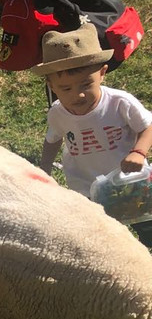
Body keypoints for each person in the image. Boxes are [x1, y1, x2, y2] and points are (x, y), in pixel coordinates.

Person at [35, 24, 152, 198]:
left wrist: (139, 152)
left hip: (129, 178)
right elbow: (53, 139)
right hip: (86, 185)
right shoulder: (58, 113)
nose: (79, 94)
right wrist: (44, 168)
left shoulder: (119, 102)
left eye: (86, 84)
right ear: (51, 86)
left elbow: (147, 126)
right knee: (95, 224)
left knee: (142, 219)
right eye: (66, 88)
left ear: (102, 73)